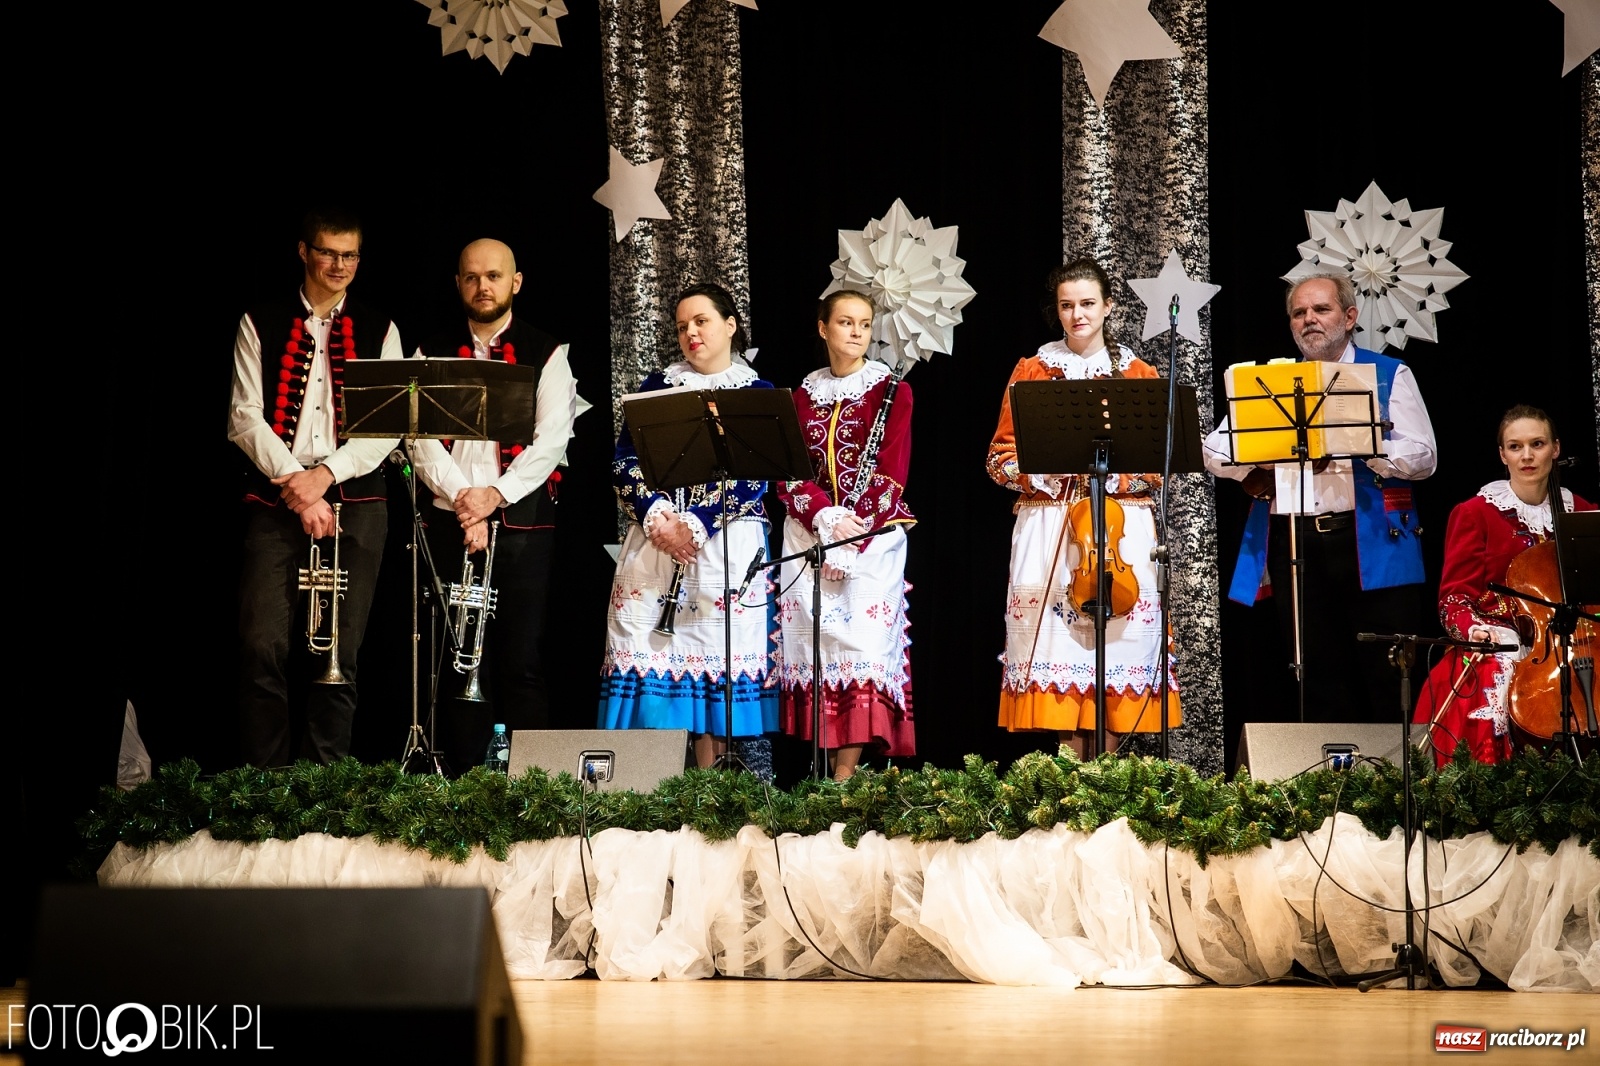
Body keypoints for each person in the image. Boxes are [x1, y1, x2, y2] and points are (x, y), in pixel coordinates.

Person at [1204, 273, 1437, 722]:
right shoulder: (1272, 384)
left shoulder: (1388, 373)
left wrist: (1361, 444)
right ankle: (1335, 785)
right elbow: (1214, 450)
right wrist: (1259, 465)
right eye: (1299, 312)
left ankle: (1399, 787)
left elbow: (1424, 456)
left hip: (1369, 540)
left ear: (1349, 317)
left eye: (1321, 309)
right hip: (1297, 542)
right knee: (1317, 676)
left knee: (1387, 672)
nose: (1309, 319)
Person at [228, 208, 402, 767]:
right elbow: (244, 417)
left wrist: (324, 477)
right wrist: (298, 485)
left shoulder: (381, 329)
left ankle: (324, 788)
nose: (339, 264)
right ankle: (267, 784)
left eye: (349, 254)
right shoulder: (262, 318)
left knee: (339, 652)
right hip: (277, 496)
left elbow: (387, 425)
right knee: (263, 647)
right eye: (328, 252)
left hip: (356, 494)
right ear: (303, 252)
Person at [986, 259, 1180, 759]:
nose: (1077, 315)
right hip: (1050, 525)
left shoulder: (1137, 372)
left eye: (1087, 304)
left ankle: (1109, 773)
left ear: (1108, 306)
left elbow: (1158, 466)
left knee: (1116, 651)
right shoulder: (1032, 369)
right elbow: (998, 459)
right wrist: (1041, 475)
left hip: (1116, 526)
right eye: (1067, 305)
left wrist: (1115, 477)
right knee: (1059, 651)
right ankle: (1070, 774)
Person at [409, 238, 587, 773]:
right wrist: (466, 500)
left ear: (516, 282)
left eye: (493, 276)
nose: (482, 286)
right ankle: (461, 778)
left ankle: (529, 783)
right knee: (458, 656)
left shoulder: (547, 352)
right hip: (450, 521)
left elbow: (551, 440)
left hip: (523, 524)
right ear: (458, 284)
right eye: (470, 277)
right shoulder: (430, 348)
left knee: (521, 658)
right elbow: (416, 436)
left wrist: (494, 496)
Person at [598, 283, 778, 768]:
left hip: (725, 545)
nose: (691, 332)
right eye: (682, 326)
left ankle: (717, 789)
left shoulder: (756, 393)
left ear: (730, 325)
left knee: (716, 662)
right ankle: (649, 788)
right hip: (658, 543)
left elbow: (757, 473)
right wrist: (659, 517)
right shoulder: (655, 388)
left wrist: (696, 525)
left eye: (700, 321)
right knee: (649, 654)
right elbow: (624, 463)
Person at [775, 290, 916, 780]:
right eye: (845, 322)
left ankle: (845, 780)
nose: (856, 332)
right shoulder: (800, 396)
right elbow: (786, 473)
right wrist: (822, 516)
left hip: (871, 539)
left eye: (864, 323)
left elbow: (891, 473)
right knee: (816, 653)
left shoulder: (892, 390)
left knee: (859, 651)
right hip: (809, 537)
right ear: (822, 328)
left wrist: (851, 534)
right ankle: (821, 778)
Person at [1413, 406, 1594, 765]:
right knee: (1493, 673)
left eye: (1537, 444)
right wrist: (1476, 630)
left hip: (1571, 640)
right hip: (1502, 642)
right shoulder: (1475, 513)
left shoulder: (1582, 511)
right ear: (1502, 454)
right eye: (1515, 446)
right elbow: (1454, 598)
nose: (1527, 456)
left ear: (1555, 449)